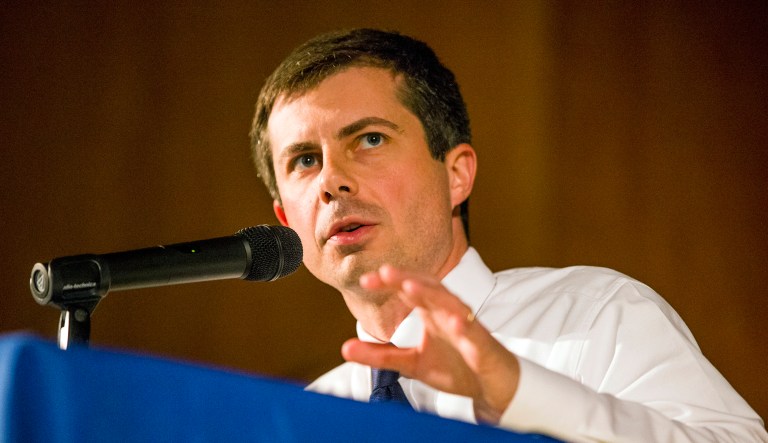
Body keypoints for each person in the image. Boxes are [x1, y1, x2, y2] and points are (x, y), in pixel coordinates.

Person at [249, 28, 767, 442]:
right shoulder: (307, 417)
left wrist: (522, 397)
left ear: (456, 175)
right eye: (305, 160)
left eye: (369, 138)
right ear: (285, 219)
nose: (331, 180)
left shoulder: (595, 317)